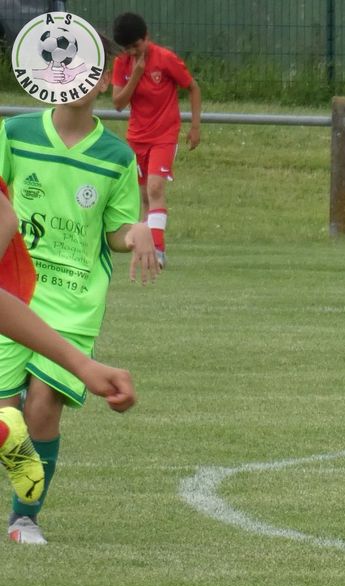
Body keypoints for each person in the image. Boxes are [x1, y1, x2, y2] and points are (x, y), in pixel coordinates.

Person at [2, 71, 159, 546]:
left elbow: (116, 231)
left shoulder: (117, 156)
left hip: (74, 300)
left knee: (44, 403)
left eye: (89, 69)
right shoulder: (14, 133)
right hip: (14, 291)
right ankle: (21, 461)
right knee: (7, 416)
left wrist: (138, 232)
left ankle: (24, 518)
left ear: (103, 82)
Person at [110, 10, 201, 267]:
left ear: (146, 36)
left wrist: (195, 127)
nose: (132, 52)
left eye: (136, 46)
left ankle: (158, 250)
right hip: (137, 138)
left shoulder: (165, 59)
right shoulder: (123, 64)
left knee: (155, 188)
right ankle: (149, 249)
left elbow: (193, 87)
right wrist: (136, 75)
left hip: (164, 136)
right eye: (127, 48)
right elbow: (118, 103)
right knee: (144, 197)